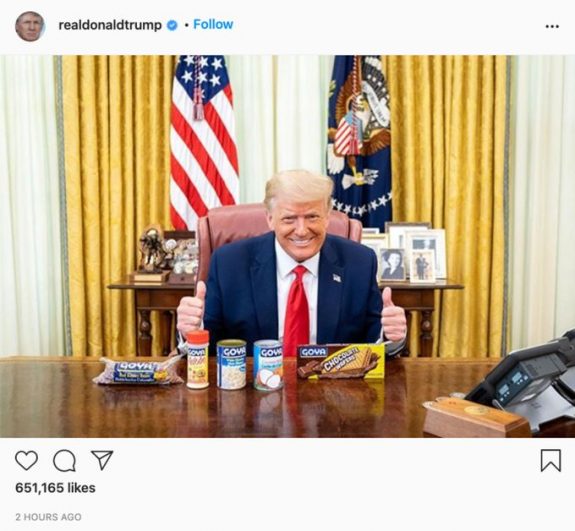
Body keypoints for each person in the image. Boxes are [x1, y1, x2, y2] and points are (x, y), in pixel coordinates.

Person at [177, 170, 407, 356]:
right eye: (289, 219)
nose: (302, 230)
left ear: (327, 217)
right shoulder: (229, 263)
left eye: (312, 217)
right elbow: (210, 346)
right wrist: (192, 332)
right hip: (252, 390)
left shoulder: (359, 262)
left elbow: (374, 340)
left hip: (332, 391)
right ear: (270, 219)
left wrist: (390, 337)